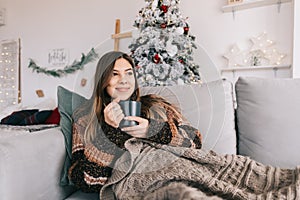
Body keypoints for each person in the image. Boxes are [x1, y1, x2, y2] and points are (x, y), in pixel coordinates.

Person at [68, 51, 300, 200]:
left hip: (183, 162)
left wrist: (151, 130)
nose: (124, 80)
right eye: (115, 74)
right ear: (103, 80)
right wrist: (111, 133)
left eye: (129, 73)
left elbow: (194, 140)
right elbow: (84, 179)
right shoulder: (86, 120)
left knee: (259, 178)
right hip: (139, 178)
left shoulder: (155, 105)